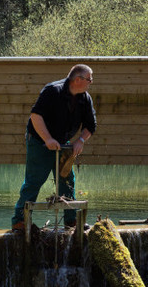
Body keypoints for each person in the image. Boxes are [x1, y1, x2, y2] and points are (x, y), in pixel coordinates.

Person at [11, 64, 97, 231]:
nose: (91, 82)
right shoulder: (52, 91)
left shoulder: (85, 98)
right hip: (39, 141)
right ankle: (20, 221)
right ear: (78, 80)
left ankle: (71, 220)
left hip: (63, 144)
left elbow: (91, 126)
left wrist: (80, 140)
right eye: (89, 79)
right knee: (34, 180)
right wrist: (48, 139)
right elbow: (36, 116)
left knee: (66, 179)